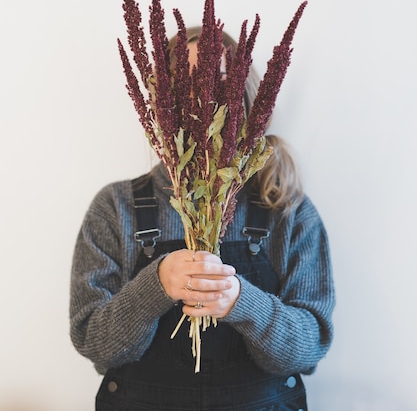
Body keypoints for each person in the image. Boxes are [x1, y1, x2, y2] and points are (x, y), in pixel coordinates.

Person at [70, 26, 335, 411]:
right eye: (183, 86)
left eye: (219, 83)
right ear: (161, 103)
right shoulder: (116, 208)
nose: (202, 99)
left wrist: (243, 302)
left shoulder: (286, 210)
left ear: (242, 100)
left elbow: (307, 352)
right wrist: (154, 287)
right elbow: (96, 344)